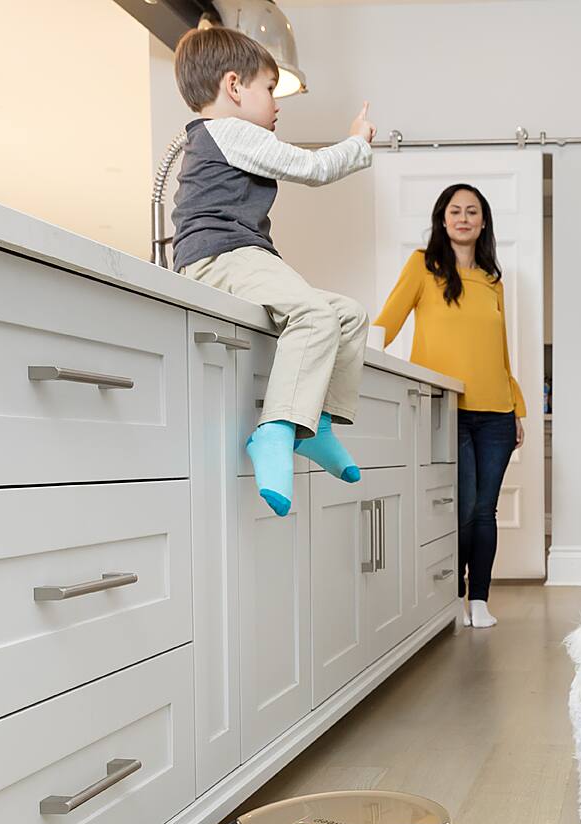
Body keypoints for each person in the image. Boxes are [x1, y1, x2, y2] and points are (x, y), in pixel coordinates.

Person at [172, 26, 377, 517]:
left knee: (348, 314)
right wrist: (357, 143)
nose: (277, 103)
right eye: (269, 88)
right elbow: (311, 168)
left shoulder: (220, 135)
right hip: (220, 253)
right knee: (314, 315)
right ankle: (275, 431)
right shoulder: (231, 130)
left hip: (241, 253)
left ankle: (316, 425)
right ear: (234, 87)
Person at [374, 185, 526, 629]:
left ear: (483, 222)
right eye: (455, 210)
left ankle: (478, 598)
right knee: (461, 507)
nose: (463, 218)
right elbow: (388, 321)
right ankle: (450, 595)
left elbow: (500, 350)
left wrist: (517, 406)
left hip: (496, 411)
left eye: (472, 212)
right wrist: (354, 359)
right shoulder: (423, 266)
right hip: (446, 409)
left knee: (485, 510)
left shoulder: (493, 280)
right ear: (443, 218)